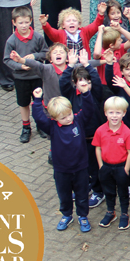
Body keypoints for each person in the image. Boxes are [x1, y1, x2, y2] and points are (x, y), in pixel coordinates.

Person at [31, 86, 97, 234]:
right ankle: (67, 215)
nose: (68, 119)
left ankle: (82, 216)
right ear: (54, 118)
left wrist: (86, 93)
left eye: (69, 114)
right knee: (64, 195)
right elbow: (39, 118)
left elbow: (88, 110)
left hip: (80, 168)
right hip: (62, 170)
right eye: (63, 117)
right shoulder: (52, 127)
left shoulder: (78, 120)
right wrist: (37, 100)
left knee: (82, 195)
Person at [3, 6, 47, 143]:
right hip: (21, 78)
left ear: (31, 21)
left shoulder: (38, 37)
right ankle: (26, 127)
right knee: (23, 104)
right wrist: (19, 66)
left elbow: (45, 53)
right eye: (20, 23)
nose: (24, 25)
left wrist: (34, 56)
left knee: (39, 102)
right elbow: (6, 59)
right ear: (14, 23)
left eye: (26, 22)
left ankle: (41, 125)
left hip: (37, 76)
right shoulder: (11, 41)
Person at [93, 96, 130, 231]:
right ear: (105, 113)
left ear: (124, 113)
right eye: (111, 112)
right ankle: (110, 212)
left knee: (123, 193)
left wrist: (126, 169)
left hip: (120, 168)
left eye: (118, 112)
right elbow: (98, 148)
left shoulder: (127, 132)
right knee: (109, 191)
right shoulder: (100, 130)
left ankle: (124, 214)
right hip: (106, 167)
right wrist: (101, 165)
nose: (114, 116)